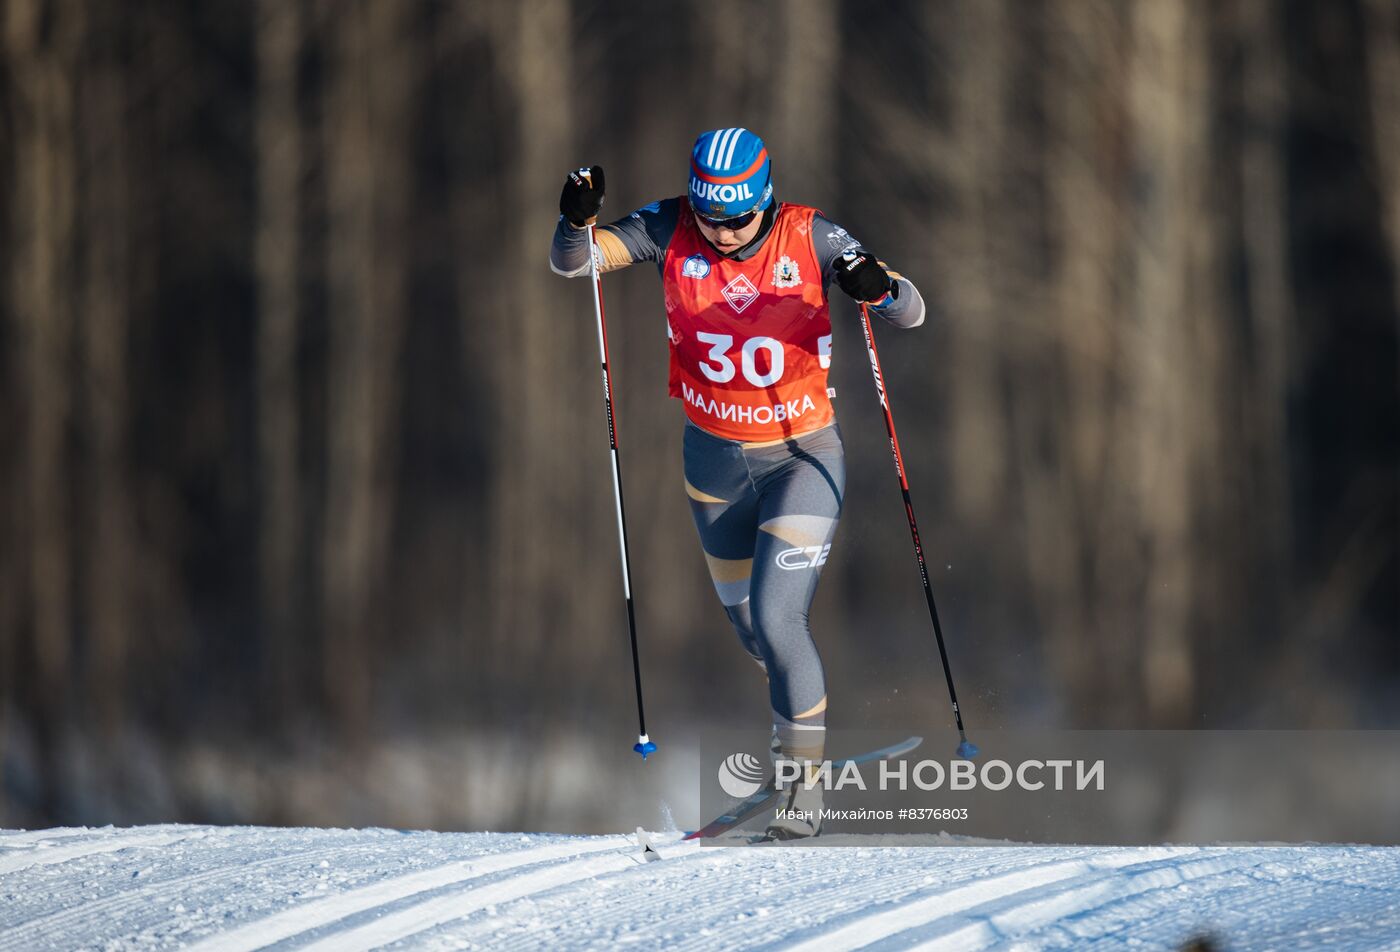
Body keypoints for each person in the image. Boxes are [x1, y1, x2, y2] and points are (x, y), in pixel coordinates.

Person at [550, 128, 926, 839]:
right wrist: (575, 220)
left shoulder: (810, 236)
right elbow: (576, 265)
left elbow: (910, 309)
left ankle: (800, 792)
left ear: (764, 201)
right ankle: (797, 711)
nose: (722, 233)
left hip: (801, 458)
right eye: (710, 217)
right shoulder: (669, 227)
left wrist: (880, 289)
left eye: (737, 219)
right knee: (751, 629)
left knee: (781, 618)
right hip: (714, 464)